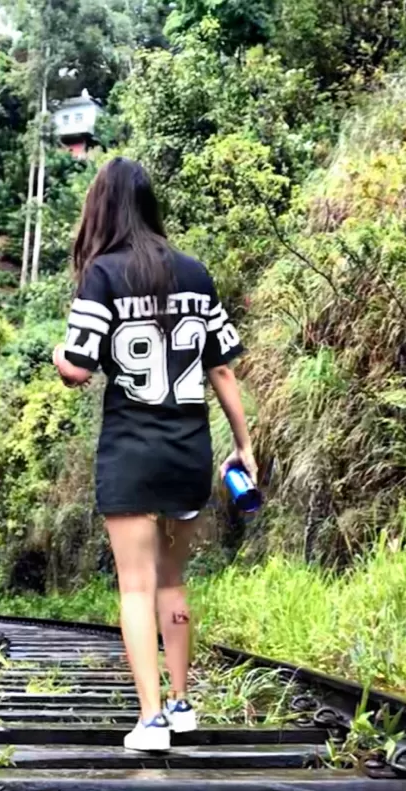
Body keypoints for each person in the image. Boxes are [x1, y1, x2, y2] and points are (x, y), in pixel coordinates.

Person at [53, 156, 257, 752]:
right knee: (172, 583)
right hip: (187, 447)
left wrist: (56, 357)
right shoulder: (195, 272)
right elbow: (221, 366)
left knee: (135, 587)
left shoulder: (103, 275)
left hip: (130, 450)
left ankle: (150, 721)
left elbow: (78, 370)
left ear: (103, 207)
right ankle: (182, 702)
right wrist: (243, 444)